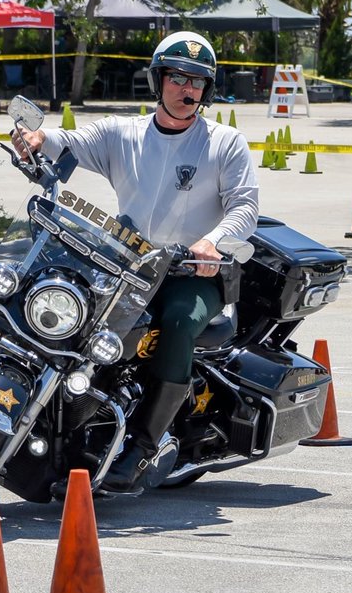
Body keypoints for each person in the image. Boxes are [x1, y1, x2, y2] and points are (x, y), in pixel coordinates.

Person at [13, 31, 259, 493]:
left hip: (192, 272)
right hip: (128, 265)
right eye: (178, 78)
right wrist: (37, 137)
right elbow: (68, 141)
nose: (187, 90)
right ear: (158, 79)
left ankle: (142, 447)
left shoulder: (225, 143)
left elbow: (244, 207)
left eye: (198, 82)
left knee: (180, 322)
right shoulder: (123, 133)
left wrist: (213, 242)